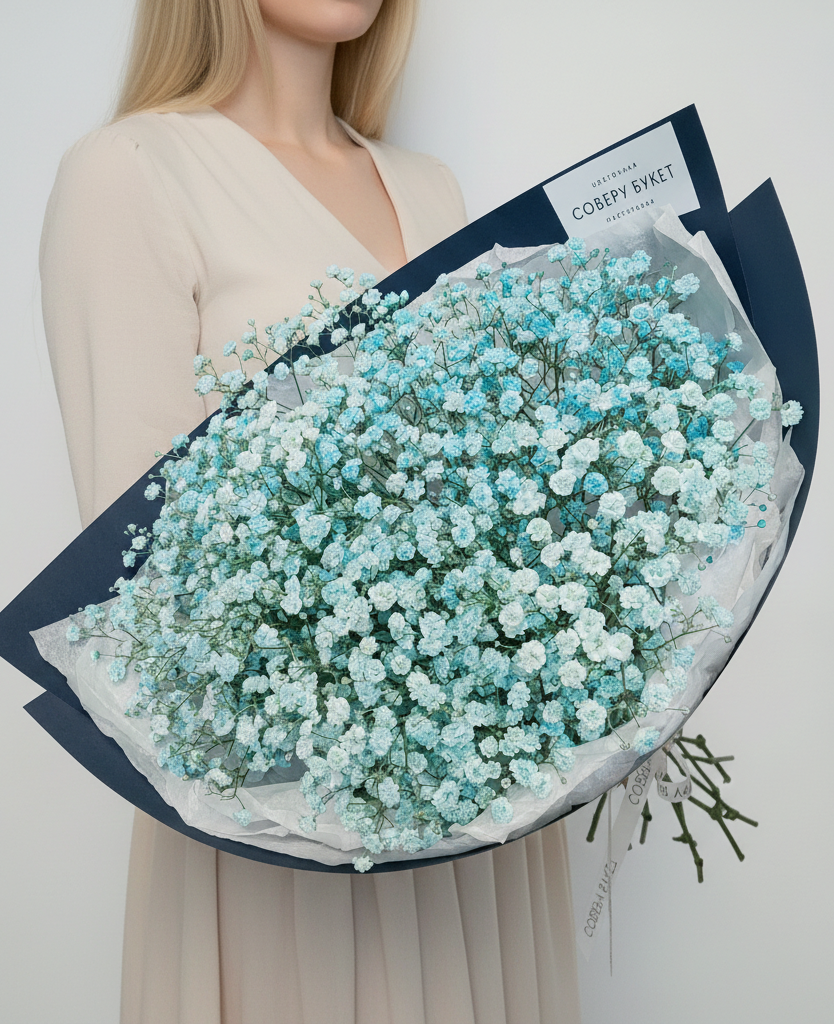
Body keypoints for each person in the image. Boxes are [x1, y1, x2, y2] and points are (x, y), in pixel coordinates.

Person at [40, 1, 582, 1021]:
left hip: (486, 802)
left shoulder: (430, 188)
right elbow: (139, 573)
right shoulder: (133, 172)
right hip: (280, 812)